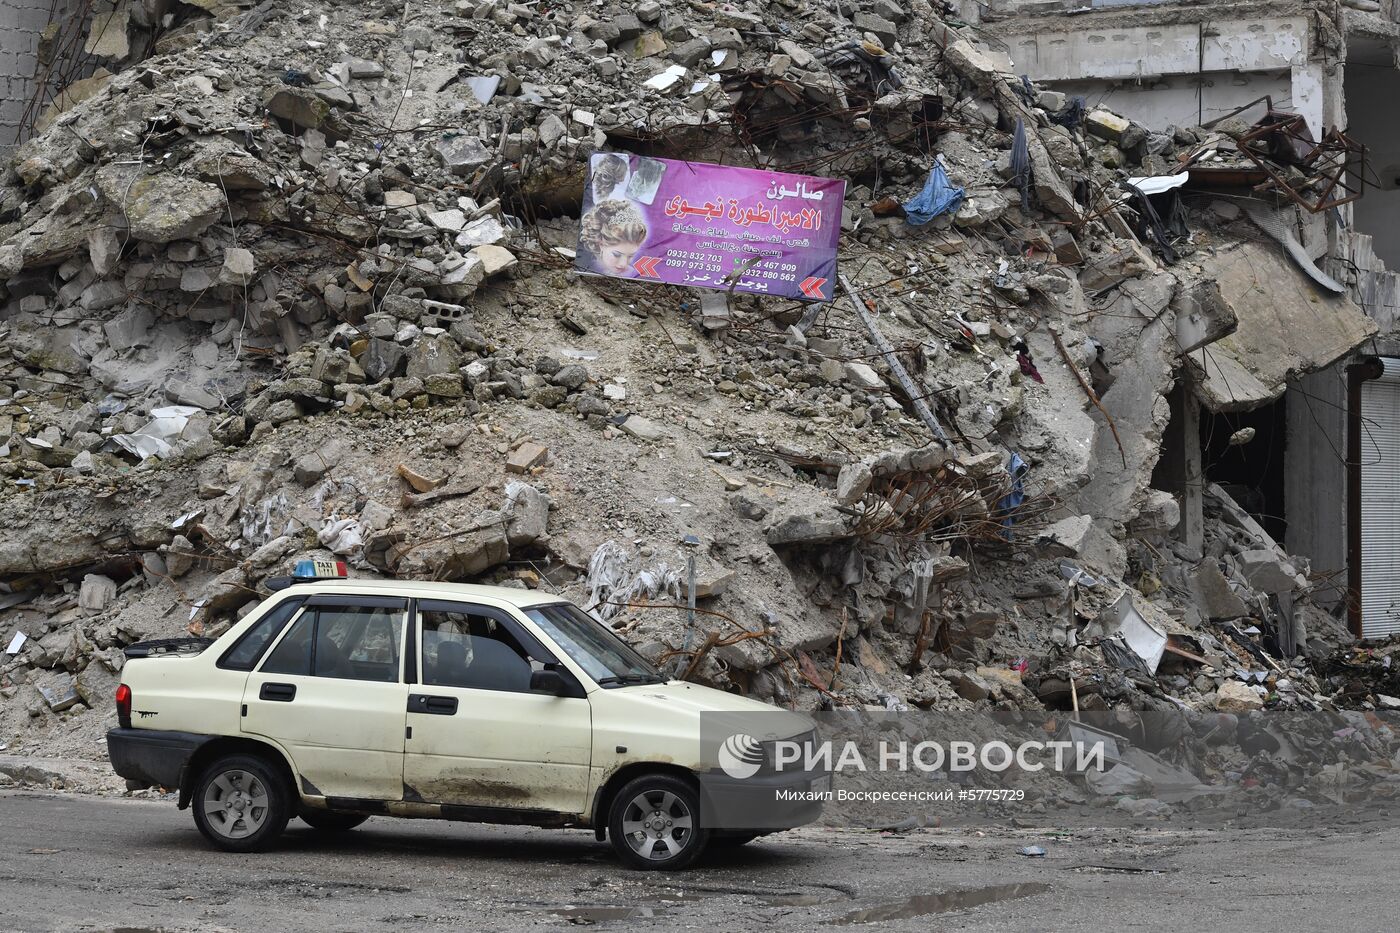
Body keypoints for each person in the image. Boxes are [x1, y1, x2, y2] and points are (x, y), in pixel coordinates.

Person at [579, 198, 648, 277]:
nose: (623, 264)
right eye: (617, 255)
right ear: (600, 243)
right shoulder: (585, 266)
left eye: (630, 256)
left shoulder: (633, 273)